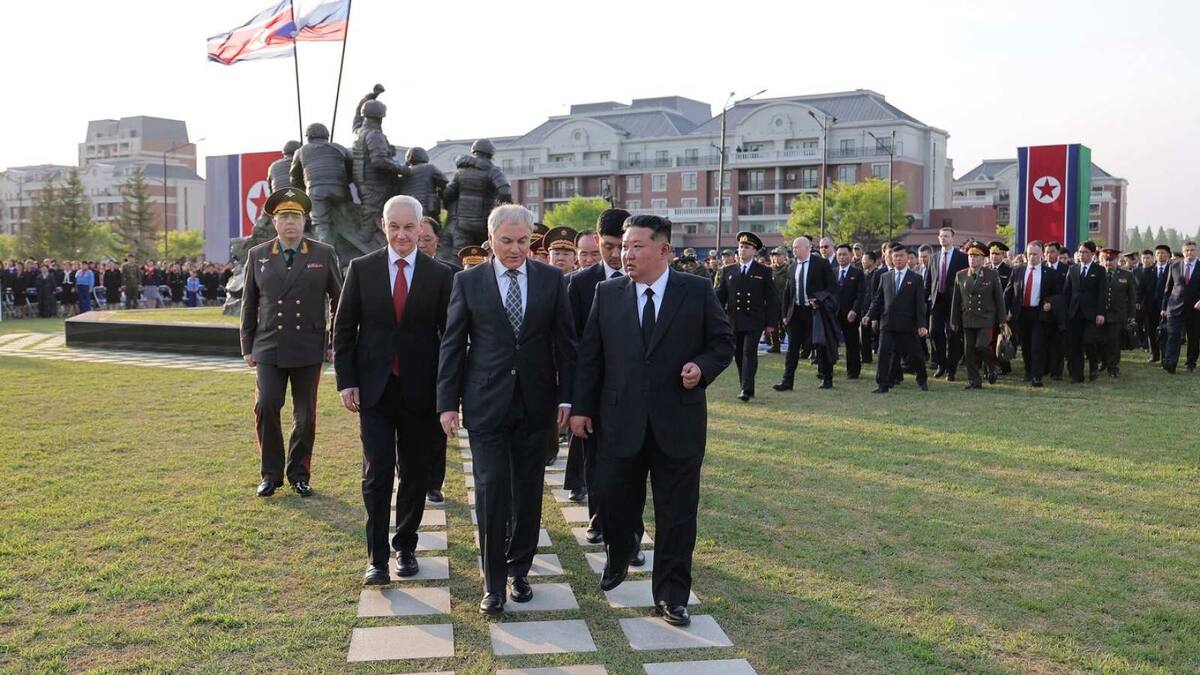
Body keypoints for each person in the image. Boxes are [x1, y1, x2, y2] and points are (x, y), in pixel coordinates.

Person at [570, 214, 733, 627]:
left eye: (636, 246)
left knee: (677, 513)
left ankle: (672, 595)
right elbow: (591, 356)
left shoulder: (695, 291)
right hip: (619, 421)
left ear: (664, 251)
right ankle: (621, 550)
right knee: (614, 499)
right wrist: (582, 408)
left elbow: (722, 342)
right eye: (624, 246)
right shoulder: (608, 293)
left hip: (677, 423)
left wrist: (701, 367)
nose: (625, 254)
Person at [436, 204, 576, 615]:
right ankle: (493, 582)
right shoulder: (468, 281)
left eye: (522, 241)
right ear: (491, 239)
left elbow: (566, 344)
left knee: (529, 490)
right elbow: (452, 344)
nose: (515, 249)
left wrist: (566, 398)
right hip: (485, 404)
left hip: (536, 404)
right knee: (491, 488)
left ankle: (519, 570)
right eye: (506, 241)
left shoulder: (551, 280)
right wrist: (447, 403)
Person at [333, 195, 454, 586]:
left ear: (421, 228)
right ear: (383, 227)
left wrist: (448, 393)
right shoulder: (362, 269)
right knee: (378, 471)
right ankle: (377, 558)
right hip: (374, 391)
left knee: (415, 472)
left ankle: (405, 546)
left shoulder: (441, 275)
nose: (402, 235)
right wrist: (347, 380)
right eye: (395, 227)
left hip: (422, 391)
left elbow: (450, 338)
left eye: (409, 227)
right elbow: (343, 329)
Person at [240, 188, 343, 498]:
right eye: (284, 217)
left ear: (304, 221)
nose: (290, 223)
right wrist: (247, 345)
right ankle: (270, 475)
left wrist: (334, 340)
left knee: (305, 414)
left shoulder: (322, 253)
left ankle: (299, 474)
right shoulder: (258, 255)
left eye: (295, 217)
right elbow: (249, 302)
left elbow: (338, 300)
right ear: (274, 222)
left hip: (307, 344)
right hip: (268, 344)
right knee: (266, 404)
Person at [563, 209, 637, 543]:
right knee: (594, 457)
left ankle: (629, 528)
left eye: (623, 245)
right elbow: (570, 341)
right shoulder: (579, 283)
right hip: (593, 388)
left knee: (631, 461)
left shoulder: (643, 277)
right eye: (608, 245)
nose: (616, 253)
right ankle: (597, 517)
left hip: (632, 388)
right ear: (597, 240)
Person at [717, 231, 778, 401]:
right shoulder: (728, 270)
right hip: (734, 320)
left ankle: (746, 388)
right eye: (741, 246)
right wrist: (717, 317)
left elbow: (772, 299)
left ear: (754, 251)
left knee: (749, 352)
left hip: (754, 319)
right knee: (738, 355)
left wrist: (771, 323)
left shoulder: (763, 271)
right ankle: (745, 386)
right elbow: (720, 296)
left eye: (747, 247)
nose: (743, 249)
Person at [773, 235, 836, 391]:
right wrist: (785, 315)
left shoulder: (821, 264)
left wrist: (819, 299)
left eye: (797, 247)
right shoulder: (792, 267)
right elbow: (788, 293)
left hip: (815, 312)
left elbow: (832, 287)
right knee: (792, 348)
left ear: (808, 248)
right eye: (793, 247)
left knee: (820, 346)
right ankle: (787, 381)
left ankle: (827, 378)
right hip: (796, 312)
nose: (794, 250)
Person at [865, 244, 929, 393]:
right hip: (888, 323)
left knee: (915, 355)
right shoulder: (885, 277)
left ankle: (922, 379)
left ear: (907, 258)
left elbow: (920, 304)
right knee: (883, 354)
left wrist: (921, 324)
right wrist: (869, 315)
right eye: (895, 256)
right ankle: (882, 384)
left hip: (908, 324)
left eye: (901, 256)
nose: (898, 259)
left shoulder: (916, 278)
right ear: (891, 258)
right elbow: (878, 299)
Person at [950, 242, 1006, 389]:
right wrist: (954, 320)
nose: (972, 259)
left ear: (983, 259)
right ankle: (974, 381)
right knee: (969, 351)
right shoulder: (961, 275)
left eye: (975, 256)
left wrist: (1002, 320)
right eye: (970, 256)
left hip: (986, 318)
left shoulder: (991, 274)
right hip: (968, 317)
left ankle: (992, 367)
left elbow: (999, 299)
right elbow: (956, 300)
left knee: (982, 345)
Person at [1005, 241, 1062, 387]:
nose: (1032, 257)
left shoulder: (1049, 273)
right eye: (1029, 254)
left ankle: (1037, 376)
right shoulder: (1018, 270)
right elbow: (1009, 292)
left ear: (1042, 254)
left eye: (1035, 254)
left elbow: (1057, 294)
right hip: (1021, 313)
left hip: (1039, 313)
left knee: (1037, 345)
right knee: (1025, 345)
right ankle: (1028, 371)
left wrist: (1050, 303)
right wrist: (1004, 312)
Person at [1063, 241, 1106, 382]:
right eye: (1080, 252)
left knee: (1089, 341)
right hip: (1074, 312)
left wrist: (1101, 313)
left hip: (1091, 314)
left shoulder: (1099, 270)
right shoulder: (1073, 269)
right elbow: (1067, 292)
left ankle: (1094, 366)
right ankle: (1077, 375)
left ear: (1092, 254)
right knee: (1075, 345)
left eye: (1085, 252)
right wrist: (1066, 311)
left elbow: (1102, 293)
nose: (1082, 255)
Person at [929, 227, 968, 380]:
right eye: (941, 236)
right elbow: (929, 280)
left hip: (954, 302)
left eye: (946, 236)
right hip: (937, 300)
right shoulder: (934, 257)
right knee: (934, 332)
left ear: (952, 238)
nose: (943, 238)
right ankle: (941, 364)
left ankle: (951, 369)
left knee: (954, 336)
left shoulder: (962, 258)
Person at [1161, 241, 1200, 373]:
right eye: (1187, 250)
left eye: (1192, 250)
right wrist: (1164, 307)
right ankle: (1171, 363)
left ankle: (1191, 363)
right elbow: (1168, 287)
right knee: (1173, 334)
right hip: (1174, 307)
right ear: (1183, 252)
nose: (1189, 253)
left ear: (1196, 252)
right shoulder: (1174, 265)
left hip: (1195, 308)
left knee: (1193, 337)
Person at [1098, 248, 1137, 378]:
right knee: (1101, 340)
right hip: (1101, 313)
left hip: (1118, 314)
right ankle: (1103, 361)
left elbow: (1132, 297)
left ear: (1117, 260)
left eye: (1111, 260)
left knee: (1113, 341)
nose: (1108, 263)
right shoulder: (1099, 274)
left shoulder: (1127, 275)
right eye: (1106, 260)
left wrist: (1131, 315)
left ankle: (1113, 367)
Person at [832, 244, 867, 380]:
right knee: (829, 342)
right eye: (839, 254)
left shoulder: (857, 273)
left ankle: (853, 371)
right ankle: (827, 369)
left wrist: (854, 310)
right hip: (834, 314)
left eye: (844, 254)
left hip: (850, 315)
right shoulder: (833, 272)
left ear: (851, 256)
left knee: (852, 344)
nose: (841, 257)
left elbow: (861, 294)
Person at [1141, 245, 1172, 364]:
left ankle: (1165, 356)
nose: (1160, 255)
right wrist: (1139, 302)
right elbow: (1142, 289)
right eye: (1158, 253)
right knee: (1151, 331)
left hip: (1166, 306)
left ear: (1168, 255)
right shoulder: (1148, 270)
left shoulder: (1172, 269)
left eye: (1163, 253)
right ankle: (1154, 355)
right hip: (1150, 307)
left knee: (1165, 332)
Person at [767, 246, 789, 353]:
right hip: (773, 302)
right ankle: (775, 345)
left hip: (785, 301)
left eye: (779, 255)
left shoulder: (789, 269)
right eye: (774, 256)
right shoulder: (769, 270)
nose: (776, 258)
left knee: (787, 324)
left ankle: (796, 345)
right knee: (773, 324)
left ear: (784, 257)